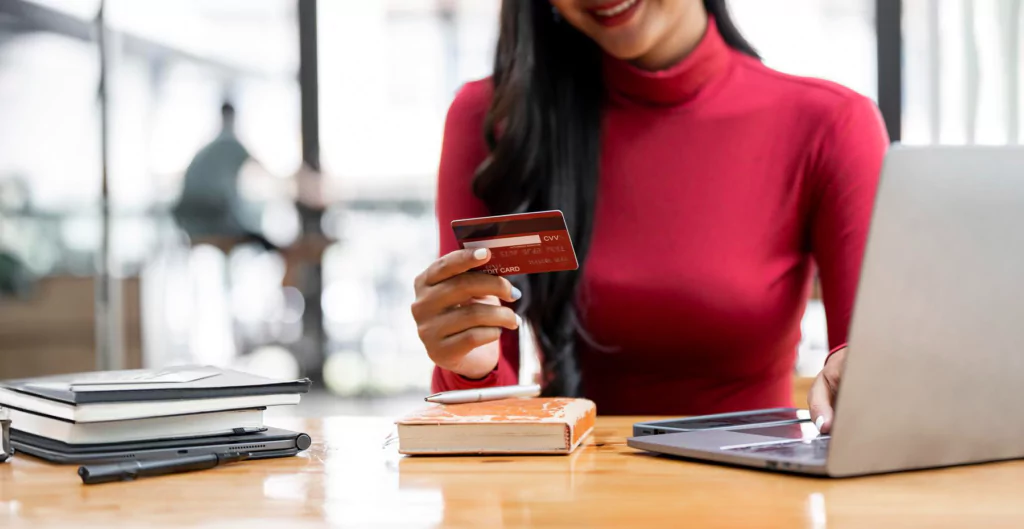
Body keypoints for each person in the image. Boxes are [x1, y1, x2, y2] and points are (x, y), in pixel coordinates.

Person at [412, 0, 888, 433]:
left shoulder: (830, 126)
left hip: (757, 502)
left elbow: (872, 379)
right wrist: (471, 365)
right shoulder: (497, 121)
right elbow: (487, 429)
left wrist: (866, 377)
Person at [172, 102, 272, 249]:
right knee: (261, 240)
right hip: (212, 217)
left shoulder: (209, 148)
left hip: (191, 220)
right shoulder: (229, 144)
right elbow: (261, 166)